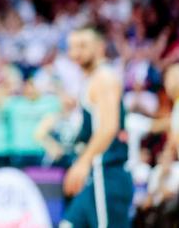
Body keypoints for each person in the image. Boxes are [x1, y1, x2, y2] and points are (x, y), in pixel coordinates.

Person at [60, 25, 133, 228]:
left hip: (106, 173)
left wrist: (82, 163)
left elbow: (109, 127)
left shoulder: (104, 77)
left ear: (100, 47)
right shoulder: (91, 79)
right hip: (94, 177)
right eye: (72, 47)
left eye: (83, 46)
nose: (76, 53)